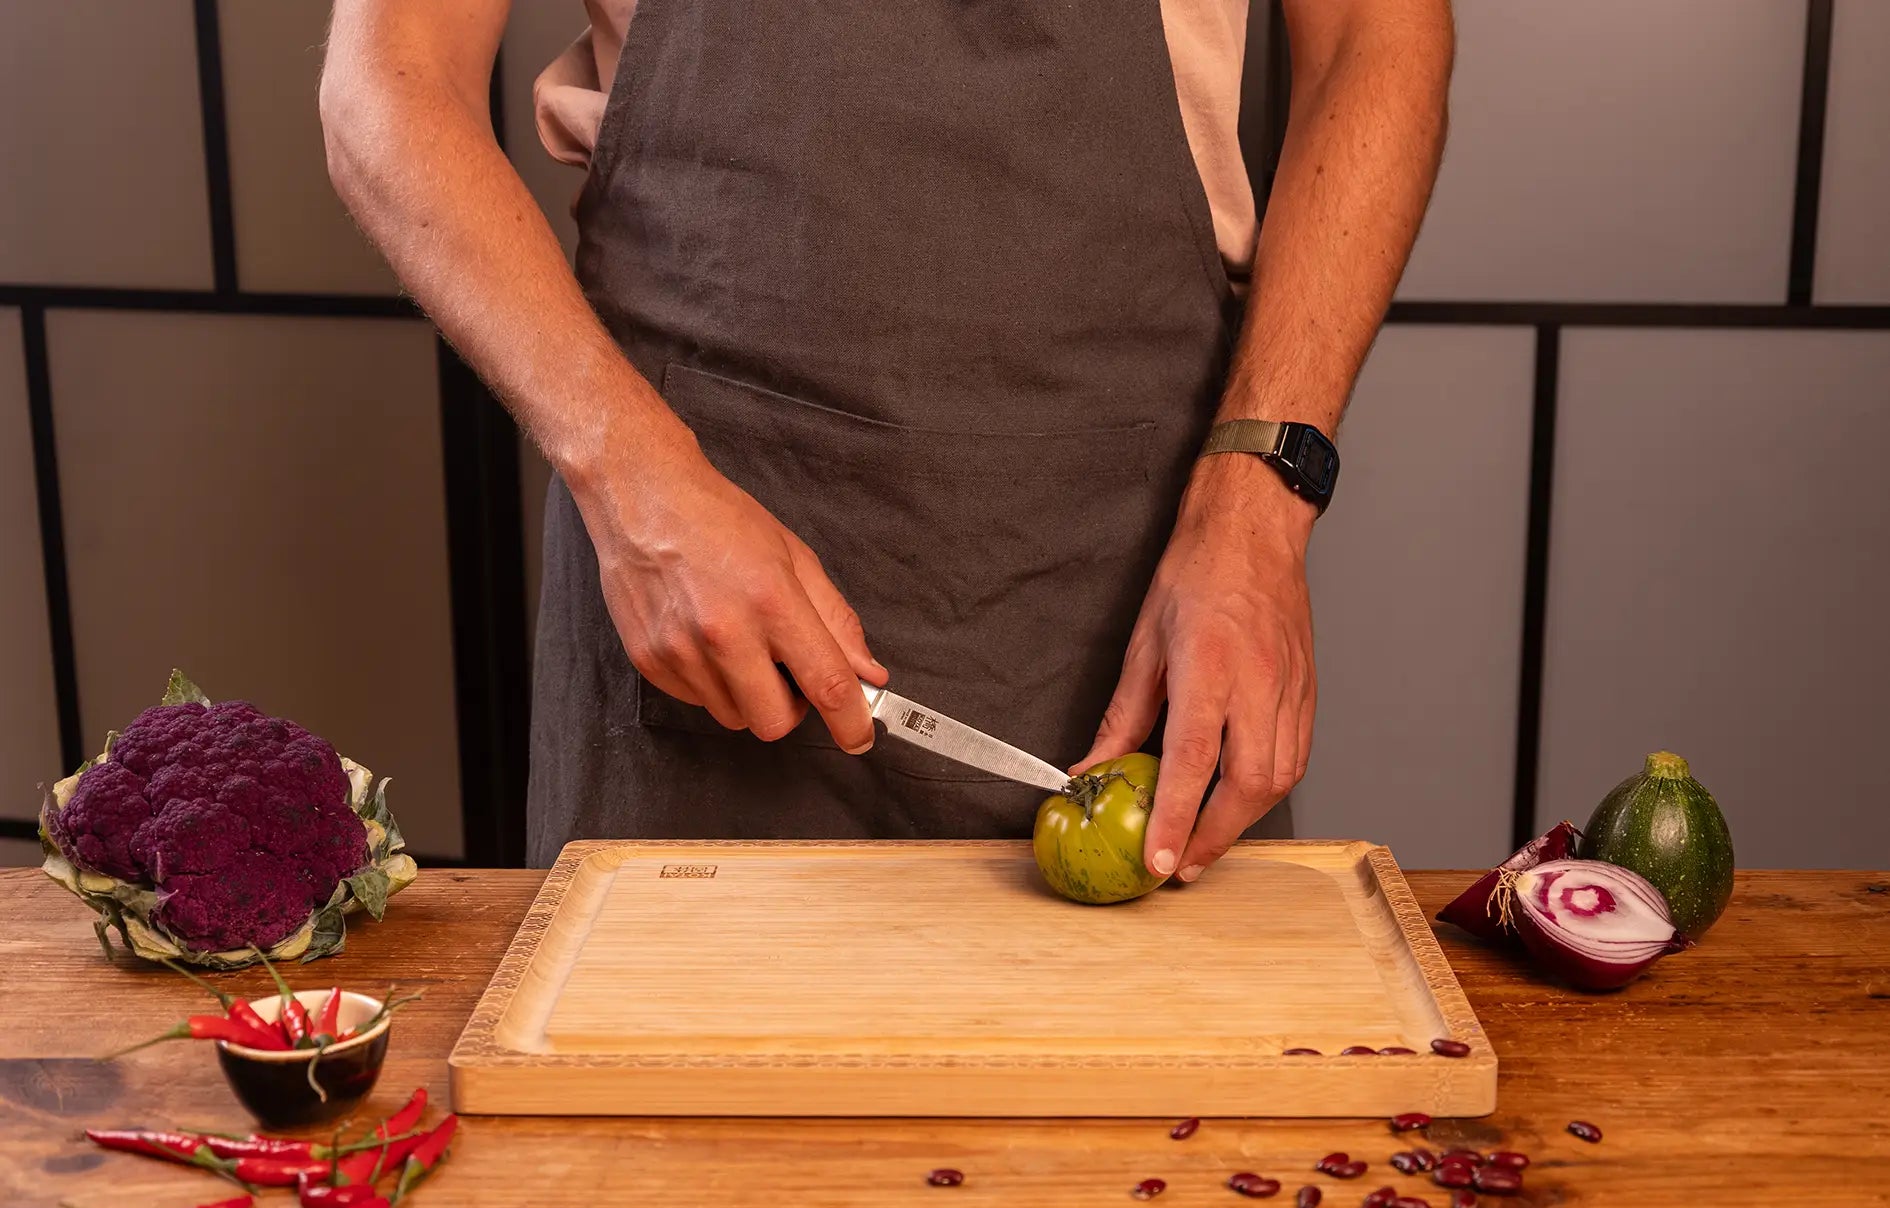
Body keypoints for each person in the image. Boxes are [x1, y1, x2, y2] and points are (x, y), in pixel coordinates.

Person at [321, 0, 1453, 873]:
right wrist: (632, 481)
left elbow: (1377, 37)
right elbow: (389, 81)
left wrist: (1260, 504)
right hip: (692, 587)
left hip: (1141, 581)